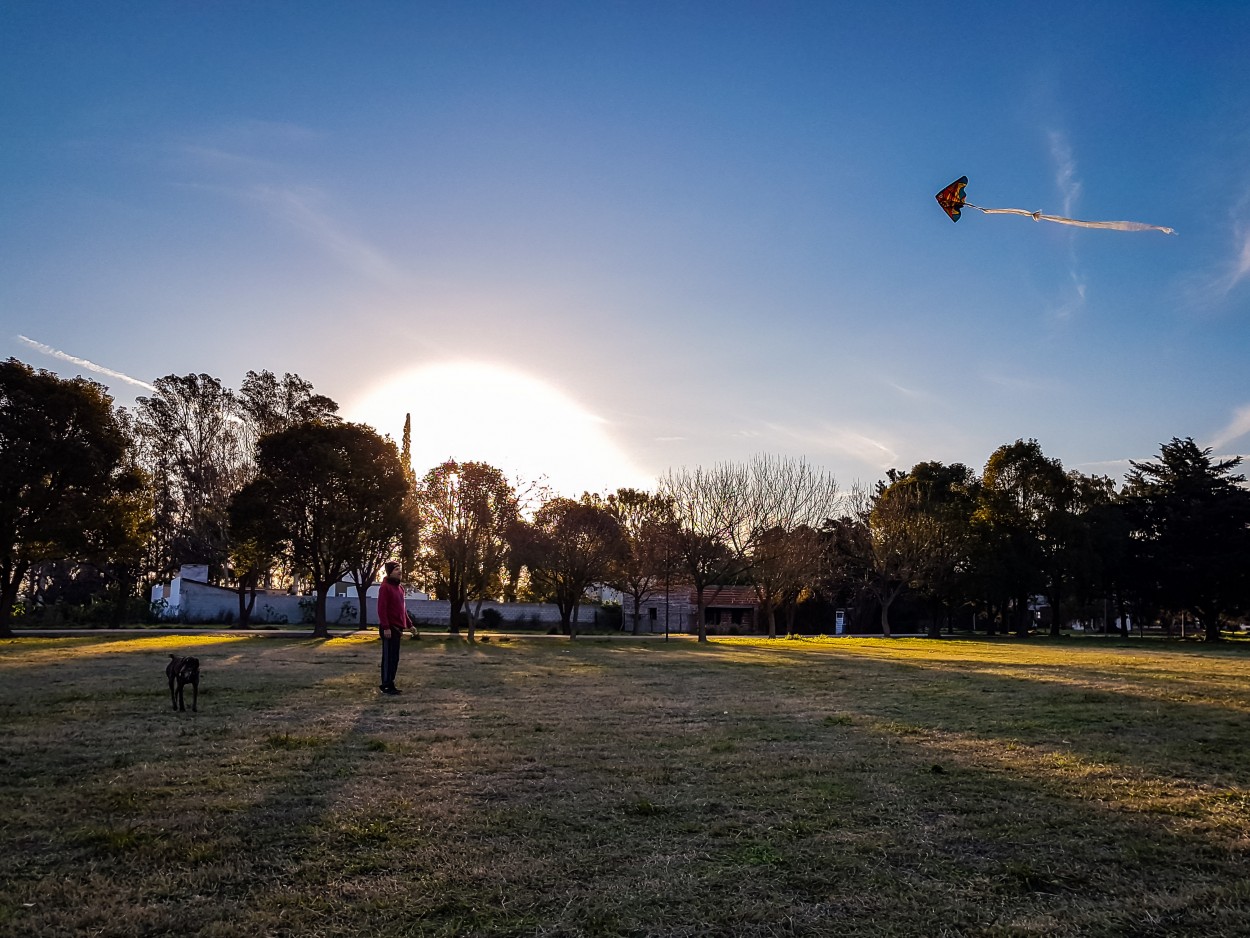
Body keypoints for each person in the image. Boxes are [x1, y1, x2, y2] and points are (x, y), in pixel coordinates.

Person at [376, 561, 406, 695]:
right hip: (389, 628)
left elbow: (402, 609)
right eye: (396, 569)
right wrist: (386, 627)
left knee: (395, 658)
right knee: (388, 658)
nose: (399, 571)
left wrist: (409, 625)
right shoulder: (385, 587)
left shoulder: (400, 588)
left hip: (398, 628)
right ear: (389, 572)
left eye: (400, 569)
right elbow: (381, 609)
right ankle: (386, 685)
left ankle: (391, 683)